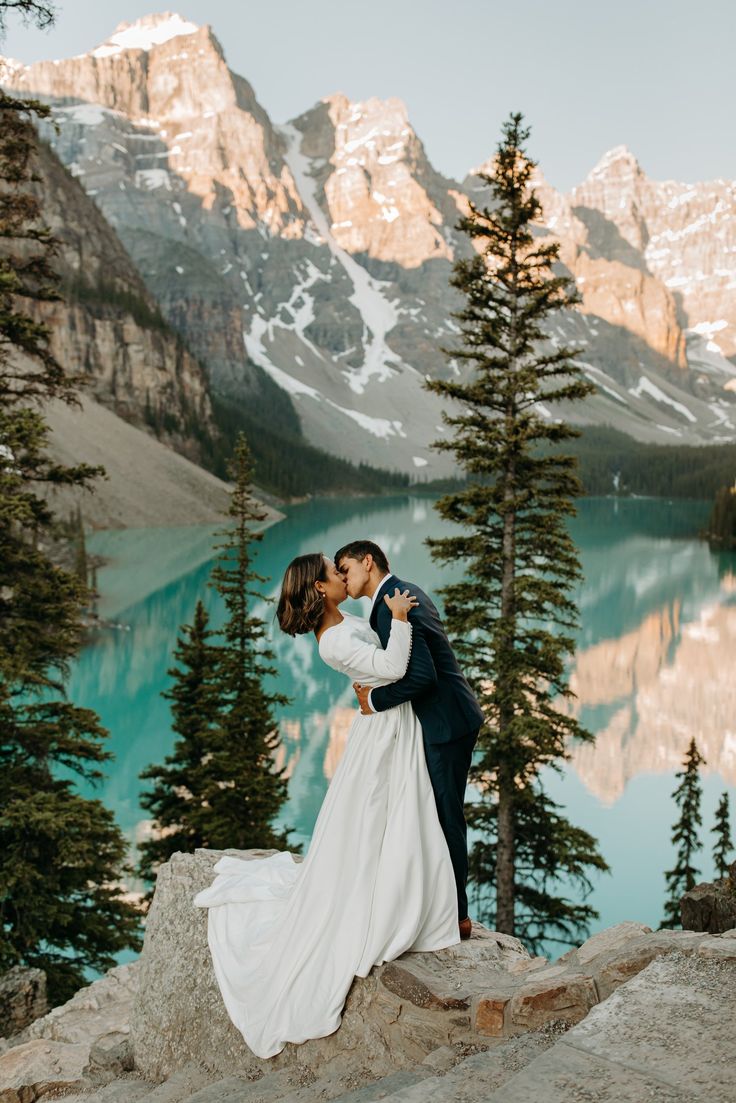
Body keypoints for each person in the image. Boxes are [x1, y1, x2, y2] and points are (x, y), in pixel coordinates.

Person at [193, 553, 458, 1060]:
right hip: (382, 733)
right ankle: (391, 897)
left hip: (389, 725)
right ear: (319, 588)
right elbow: (392, 666)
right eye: (332, 572)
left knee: (391, 817)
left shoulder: (342, 624)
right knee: (381, 816)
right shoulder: (334, 640)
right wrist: (400, 619)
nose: (341, 575)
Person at [334, 540, 484, 940]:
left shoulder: (392, 605)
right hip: (448, 717)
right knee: (436, 814)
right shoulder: (402, 593)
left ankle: (457, 917)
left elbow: (422, 677)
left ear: (368, 562)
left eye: (345, 569)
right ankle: (444, 908)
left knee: (444, 817)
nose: (343, 578)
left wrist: (374, 701)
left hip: (445, 724)